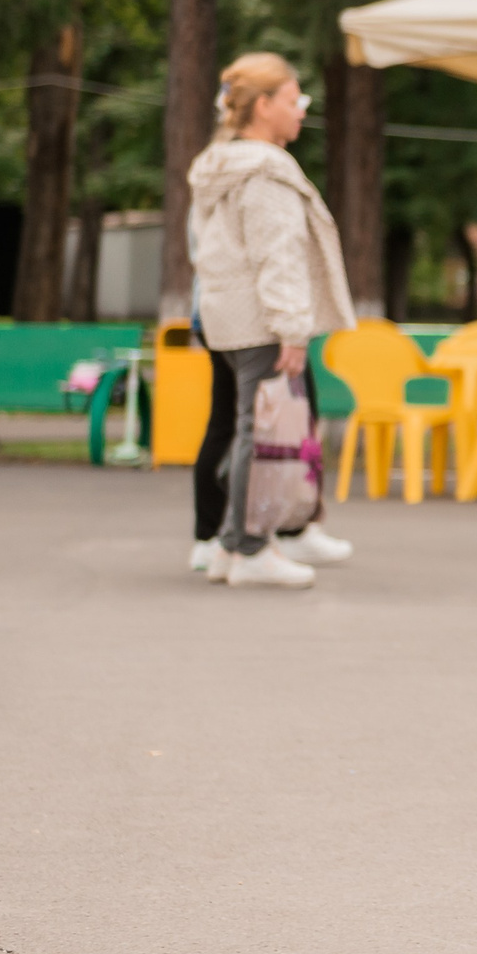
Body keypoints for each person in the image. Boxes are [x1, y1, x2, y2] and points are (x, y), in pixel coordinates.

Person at [185, 53, 357, 590]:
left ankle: (228, 548)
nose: (301, 110)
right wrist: (292, 328)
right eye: (292, 100)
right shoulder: (267, 169)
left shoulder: (224, 163)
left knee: (245, 431)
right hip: (261, 320)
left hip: (229, 316)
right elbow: (277, 254)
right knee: (258, 437)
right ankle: (251, 548)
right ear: (262, 107)